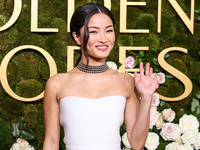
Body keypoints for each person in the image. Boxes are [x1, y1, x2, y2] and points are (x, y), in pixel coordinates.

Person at [43, 3, 158, 150]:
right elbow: (51, 142)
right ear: (77, 37)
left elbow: (136, 143)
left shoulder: (127, 82)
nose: (103, 39)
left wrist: (147, 97)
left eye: (108, 31)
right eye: (94, 32)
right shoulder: (56, 83)